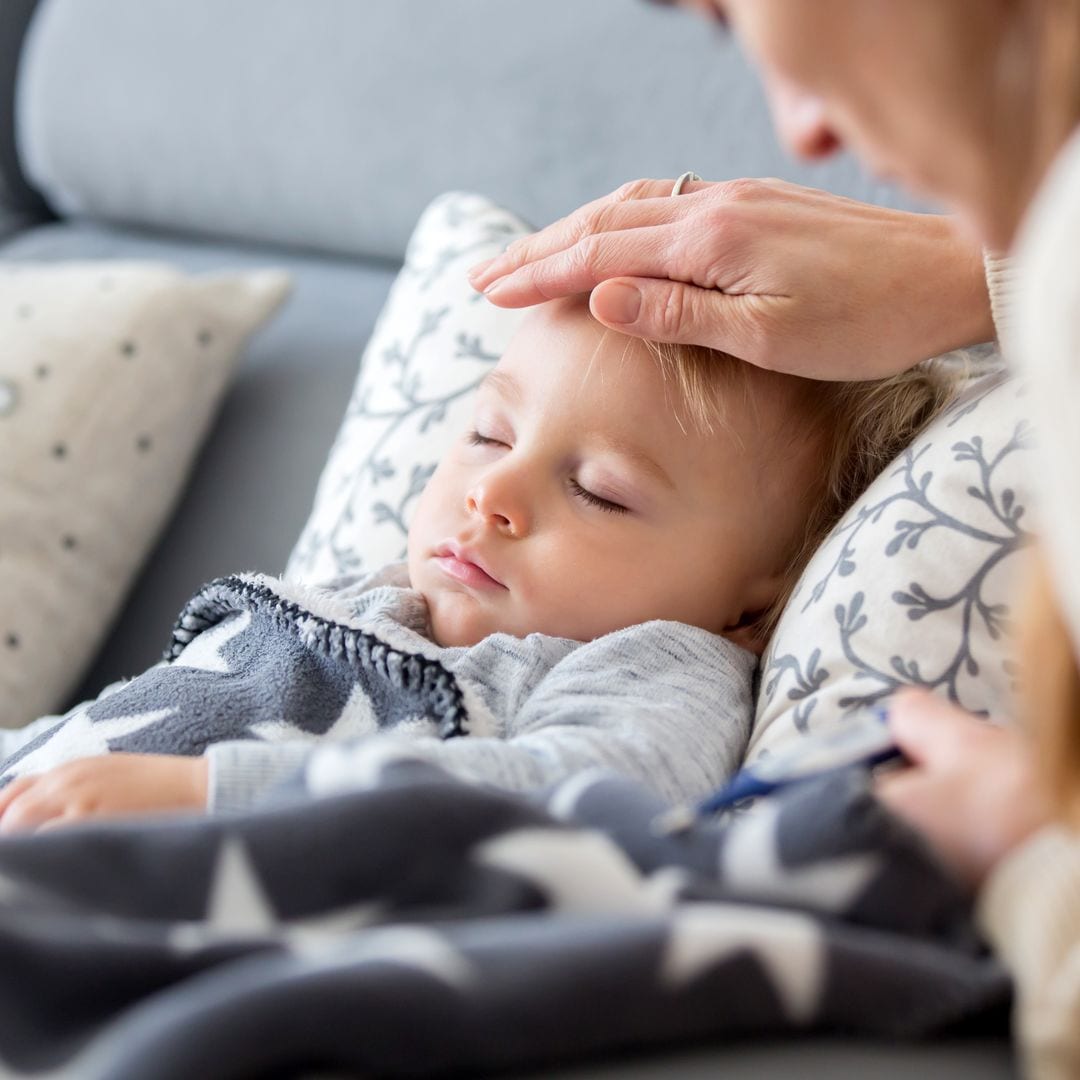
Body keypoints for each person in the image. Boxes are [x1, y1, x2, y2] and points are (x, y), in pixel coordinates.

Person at [469, 2, 1080, 1077]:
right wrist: (974, 272)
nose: (802, 132)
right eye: (483, 432)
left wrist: (1032, 860)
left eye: (729, 8)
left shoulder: (647, 696)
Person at [0, 292, 948, 831]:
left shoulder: (647, 666)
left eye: (602, 491)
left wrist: (209, 793)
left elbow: (592, 797)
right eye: (490, 436)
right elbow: (106, 726)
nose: (492, 494)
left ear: (750, 607)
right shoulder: (361, 597)